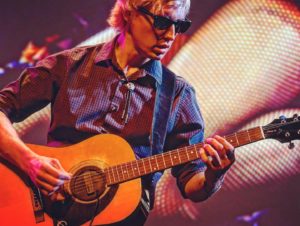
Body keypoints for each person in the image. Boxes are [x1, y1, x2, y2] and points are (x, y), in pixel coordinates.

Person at [0, 0, 235, 225]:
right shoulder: (69, 65)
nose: (171, 35)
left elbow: (193, 183)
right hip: (43, 209)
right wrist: (29, 161)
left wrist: (215, 175)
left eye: (179, 26)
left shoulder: (177, 95)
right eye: (162, 23)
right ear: (129, 13)